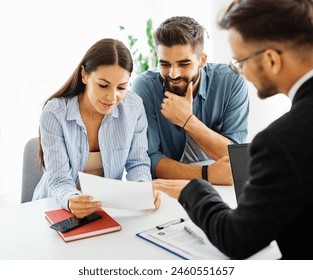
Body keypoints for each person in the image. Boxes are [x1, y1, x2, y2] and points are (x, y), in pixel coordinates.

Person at [154, 0, 313, 260]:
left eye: (240, 60)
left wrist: (192, 189)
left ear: (271, 59)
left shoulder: (282, 142)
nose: (242, 71)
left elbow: (237, 239)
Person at [32, 38, 159, 218]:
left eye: (121, 87)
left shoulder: (134, 107)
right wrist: (71, 200)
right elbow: (59, 180)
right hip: (56, 206)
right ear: (84, 75)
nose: (112, 97)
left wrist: (142, 192)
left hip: (104, 209)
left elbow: (138, 162)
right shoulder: (54, 113)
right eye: (103, 85)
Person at [132, 16, 249, 185]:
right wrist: (206, 173)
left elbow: (235, 155)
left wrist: (187, 121)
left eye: (183, 64)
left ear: (202, 60)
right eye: (165, 64)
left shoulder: (230, 81)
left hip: (222, 186)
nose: (173, 74)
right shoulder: (145, 87)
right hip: (170, 186)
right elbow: (149, 159)